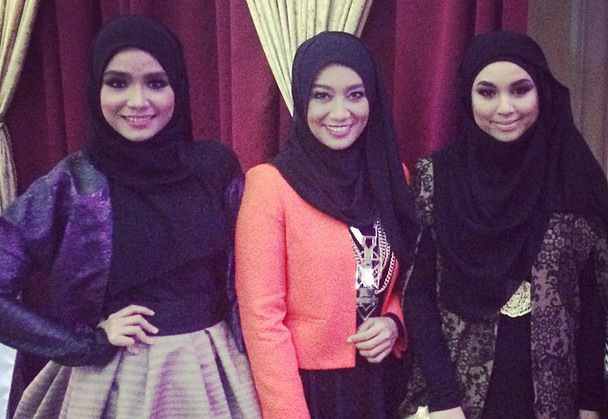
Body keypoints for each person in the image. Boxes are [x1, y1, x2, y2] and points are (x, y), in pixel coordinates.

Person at [0, 15, 260, 418]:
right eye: (118, 83)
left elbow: (254, 276)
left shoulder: (216, 169)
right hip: (112, 382)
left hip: (210, 375)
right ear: (96, 89)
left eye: (155, 83)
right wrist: (84, 344)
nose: (137, 102)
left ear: (178, 88)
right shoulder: (75, 183)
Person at [401, 31, 608, 419]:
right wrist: (444, 398)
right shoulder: (439, 176)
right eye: (487, 92)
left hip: (553, 397)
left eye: (520, 90)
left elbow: (593, 299)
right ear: (468, 96)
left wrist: (591, 403)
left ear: (541, 92)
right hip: (459, 395)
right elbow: (418, 293)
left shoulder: (574, 176)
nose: (505, 107)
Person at [235, 31, 419, 419]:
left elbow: (411, 275)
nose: (340, 112)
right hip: (310, 388)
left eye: (355, 94)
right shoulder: (270, 185)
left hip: (384, 378)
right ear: (302, 99)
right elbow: (262, 320)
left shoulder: (392, 176)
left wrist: (394, 322)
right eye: (322, 95)